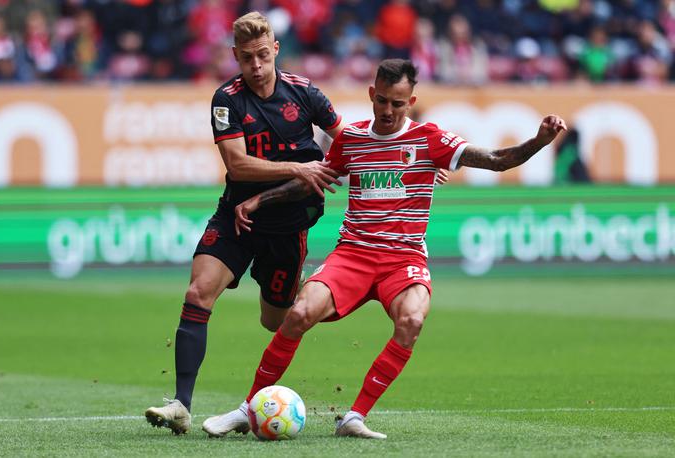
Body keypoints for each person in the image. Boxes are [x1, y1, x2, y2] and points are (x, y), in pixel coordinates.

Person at [204, 59, 567, 439]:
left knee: (411, 320)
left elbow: (495, 160)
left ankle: (354, 417)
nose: (388, 111)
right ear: (371, 95)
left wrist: (539, 142)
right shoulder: (353, 139)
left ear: (410, 100)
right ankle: (247, 408)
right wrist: (260, 200)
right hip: (354, 255)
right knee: (300, 313)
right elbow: (316, 180)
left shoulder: (431, 140)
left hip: (403, 259)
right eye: (382, 101)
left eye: (397, 103)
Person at [144, 11, 345, 435]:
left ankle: (319, 292)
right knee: (198, 291)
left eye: (262, 56)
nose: (255, 66)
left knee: (275, 322)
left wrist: (415, 163)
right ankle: (181, 404)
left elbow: (347, 140)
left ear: (275, 50)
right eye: (246, 58)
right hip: (237, 218)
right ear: (235, 56)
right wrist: (299, 169)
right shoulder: (226, 98)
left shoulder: (305, 93)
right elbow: (236, 164)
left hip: (288, 226)